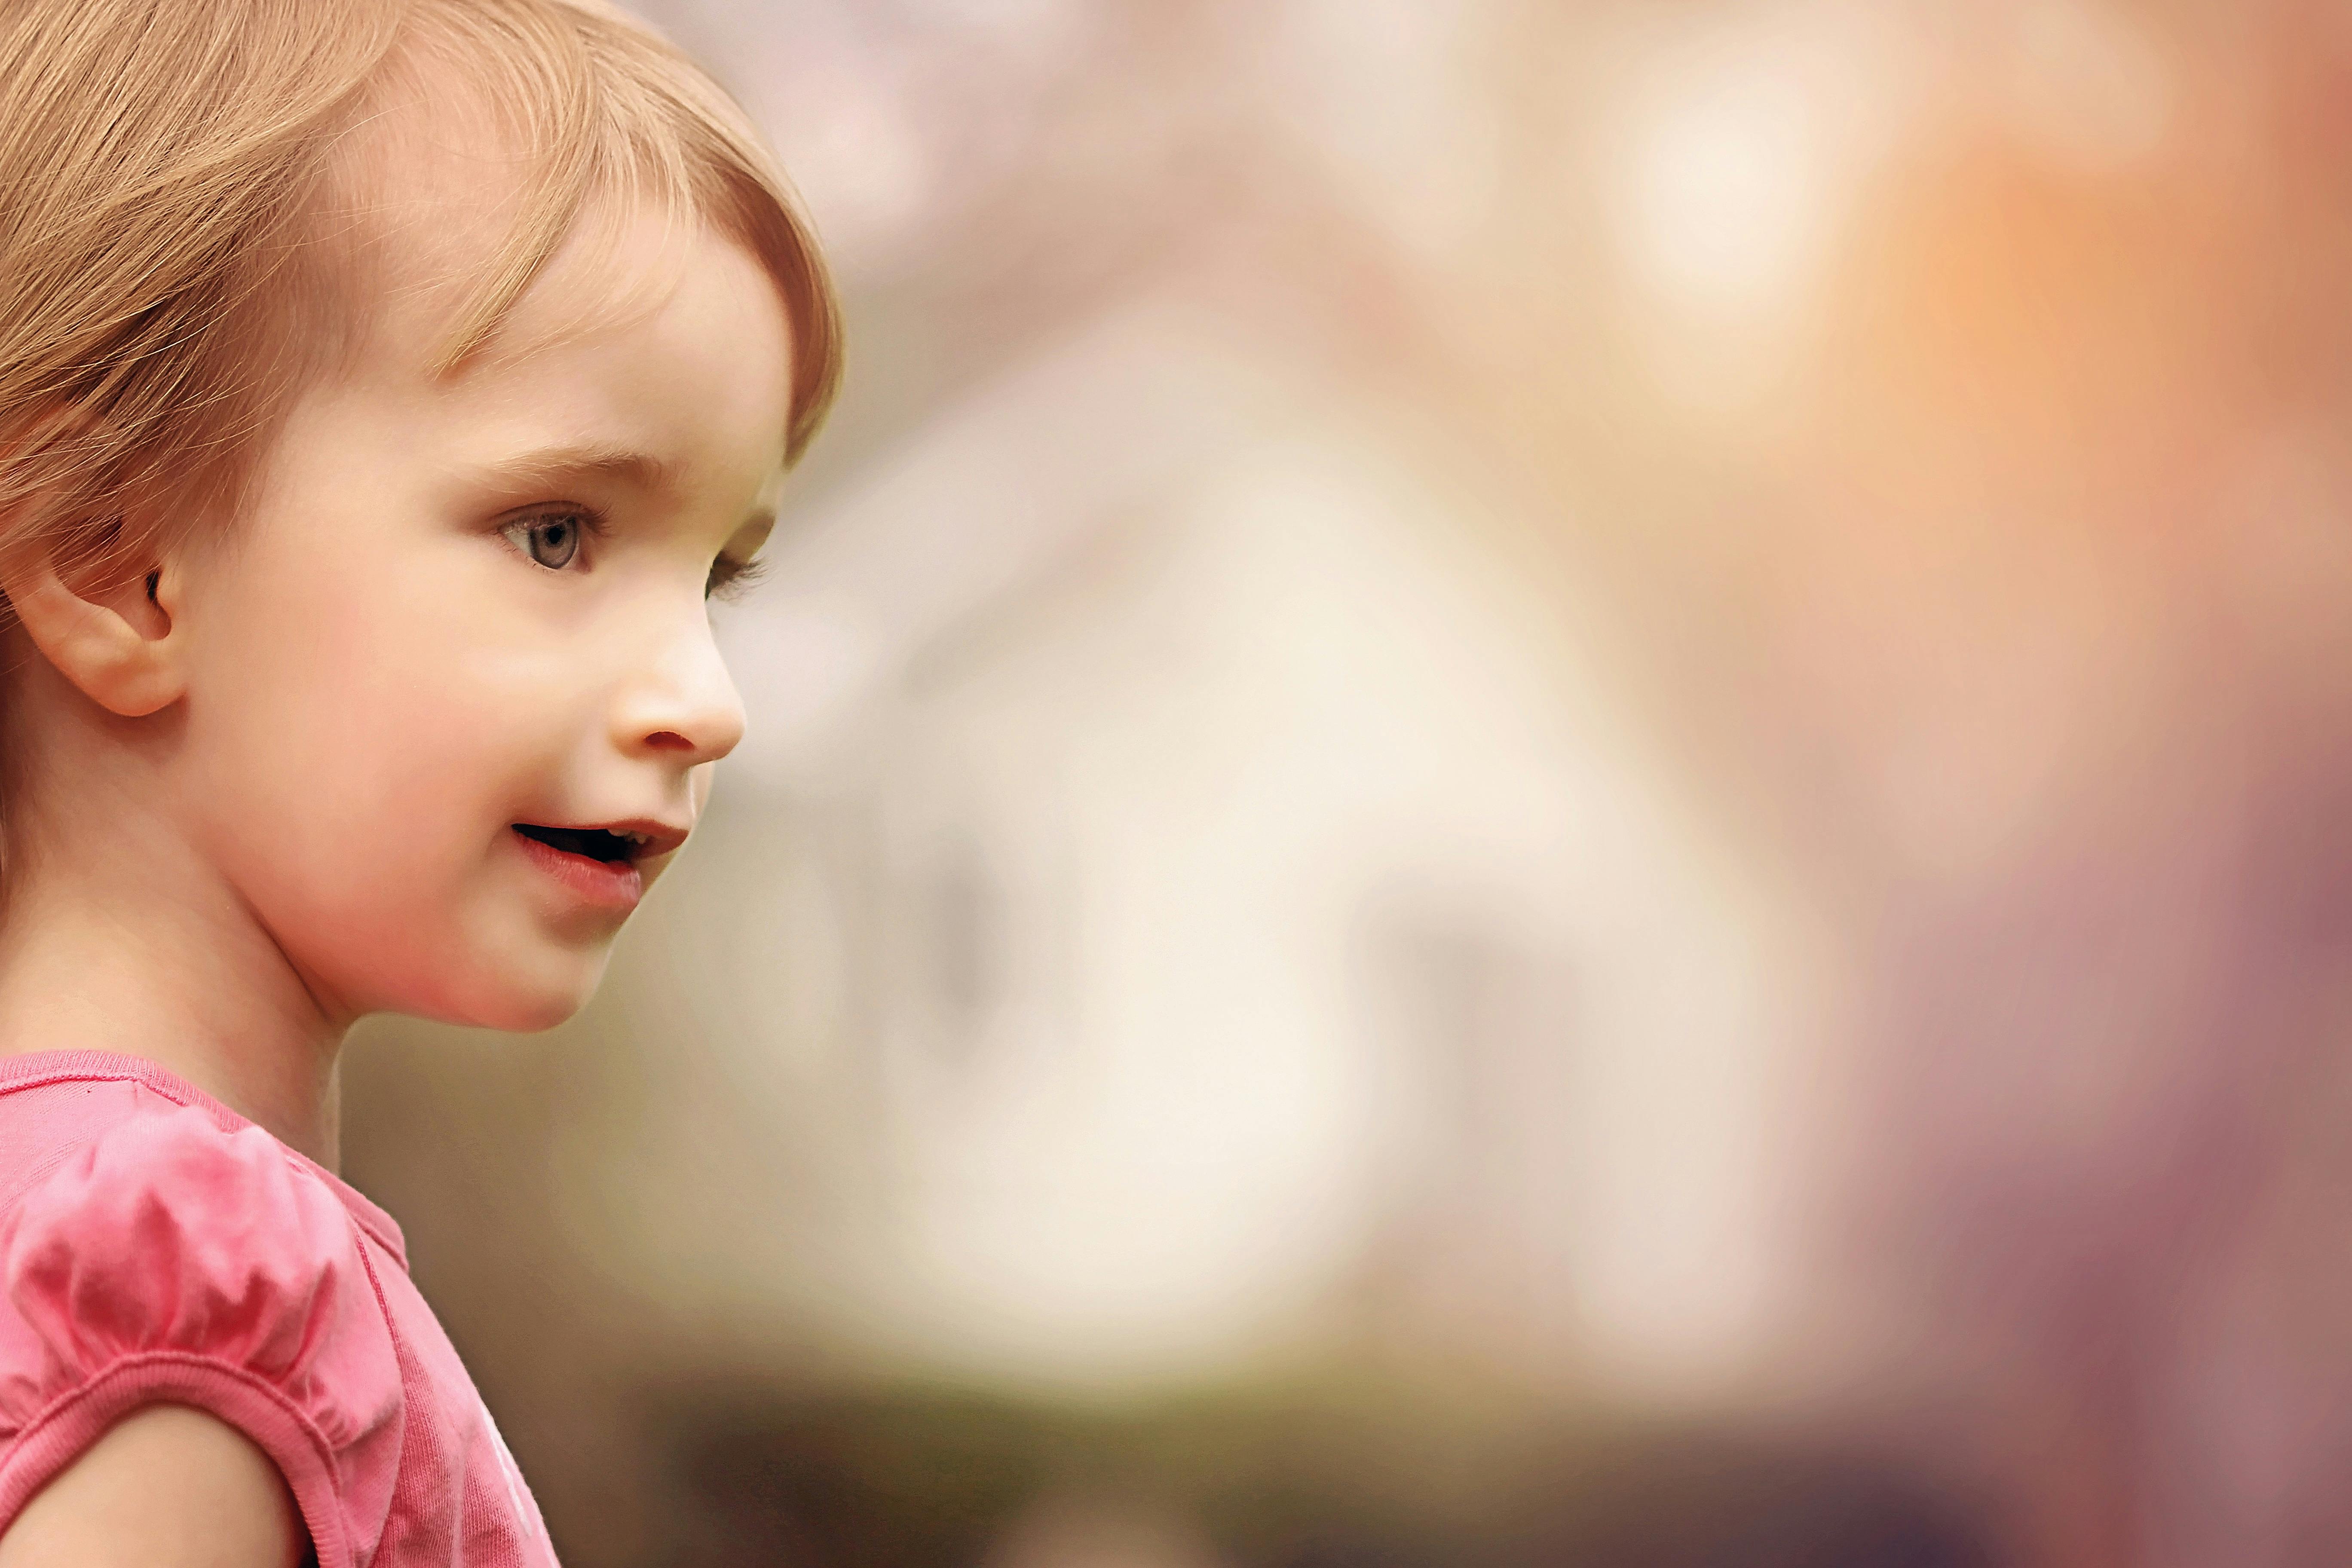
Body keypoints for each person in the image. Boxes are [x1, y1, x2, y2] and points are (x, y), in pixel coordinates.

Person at [0, 0, 840, 1561]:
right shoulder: (183, 1295)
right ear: (118, 566)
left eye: (717, 575)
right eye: (557, 532)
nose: (707, 705)